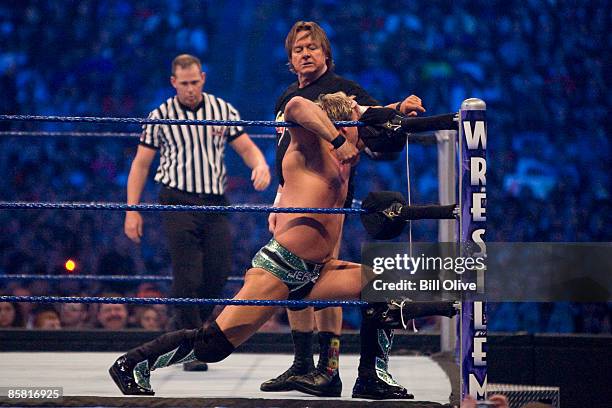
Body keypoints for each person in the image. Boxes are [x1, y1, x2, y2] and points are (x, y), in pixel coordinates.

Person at [109, 92, 427, 396]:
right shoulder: (309, 144)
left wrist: (398, 107)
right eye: (352, 127)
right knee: (213, 347)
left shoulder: (346, 153)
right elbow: (297, 105)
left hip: (320, 271)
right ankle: (133, 363)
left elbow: (363, 114)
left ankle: (372, 378)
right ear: (337, 127)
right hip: (281, 268)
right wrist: (339, 139)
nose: (362, 135)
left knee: (384, 284)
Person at [262, 21, 425, 399]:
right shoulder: (285, 96)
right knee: (292, 280)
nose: (305, 54)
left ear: (325, 54)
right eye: (298, 49)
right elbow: (284, 156)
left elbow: (370, 113)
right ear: (290, 58)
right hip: (290, 198)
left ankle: (328, 367)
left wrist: (399, 106)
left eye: (312, 48)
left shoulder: (341, 90)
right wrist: (277, 200)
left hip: (328, 201)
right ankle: (302, 364)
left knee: (323, 277)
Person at [124, 54, 271, 371]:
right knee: (187, 274)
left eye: (195, 82)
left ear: (202, 78)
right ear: (173, 82)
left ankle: (184, 325)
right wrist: (132, 210)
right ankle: (190, 345)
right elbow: (141, 164)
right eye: (184, 84)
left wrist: (259, 165)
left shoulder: (222, 109)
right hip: (176, 199)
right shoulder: (160, 115)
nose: (190, 89)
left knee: (218, 273)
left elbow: (246, 147)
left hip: (215, 201)